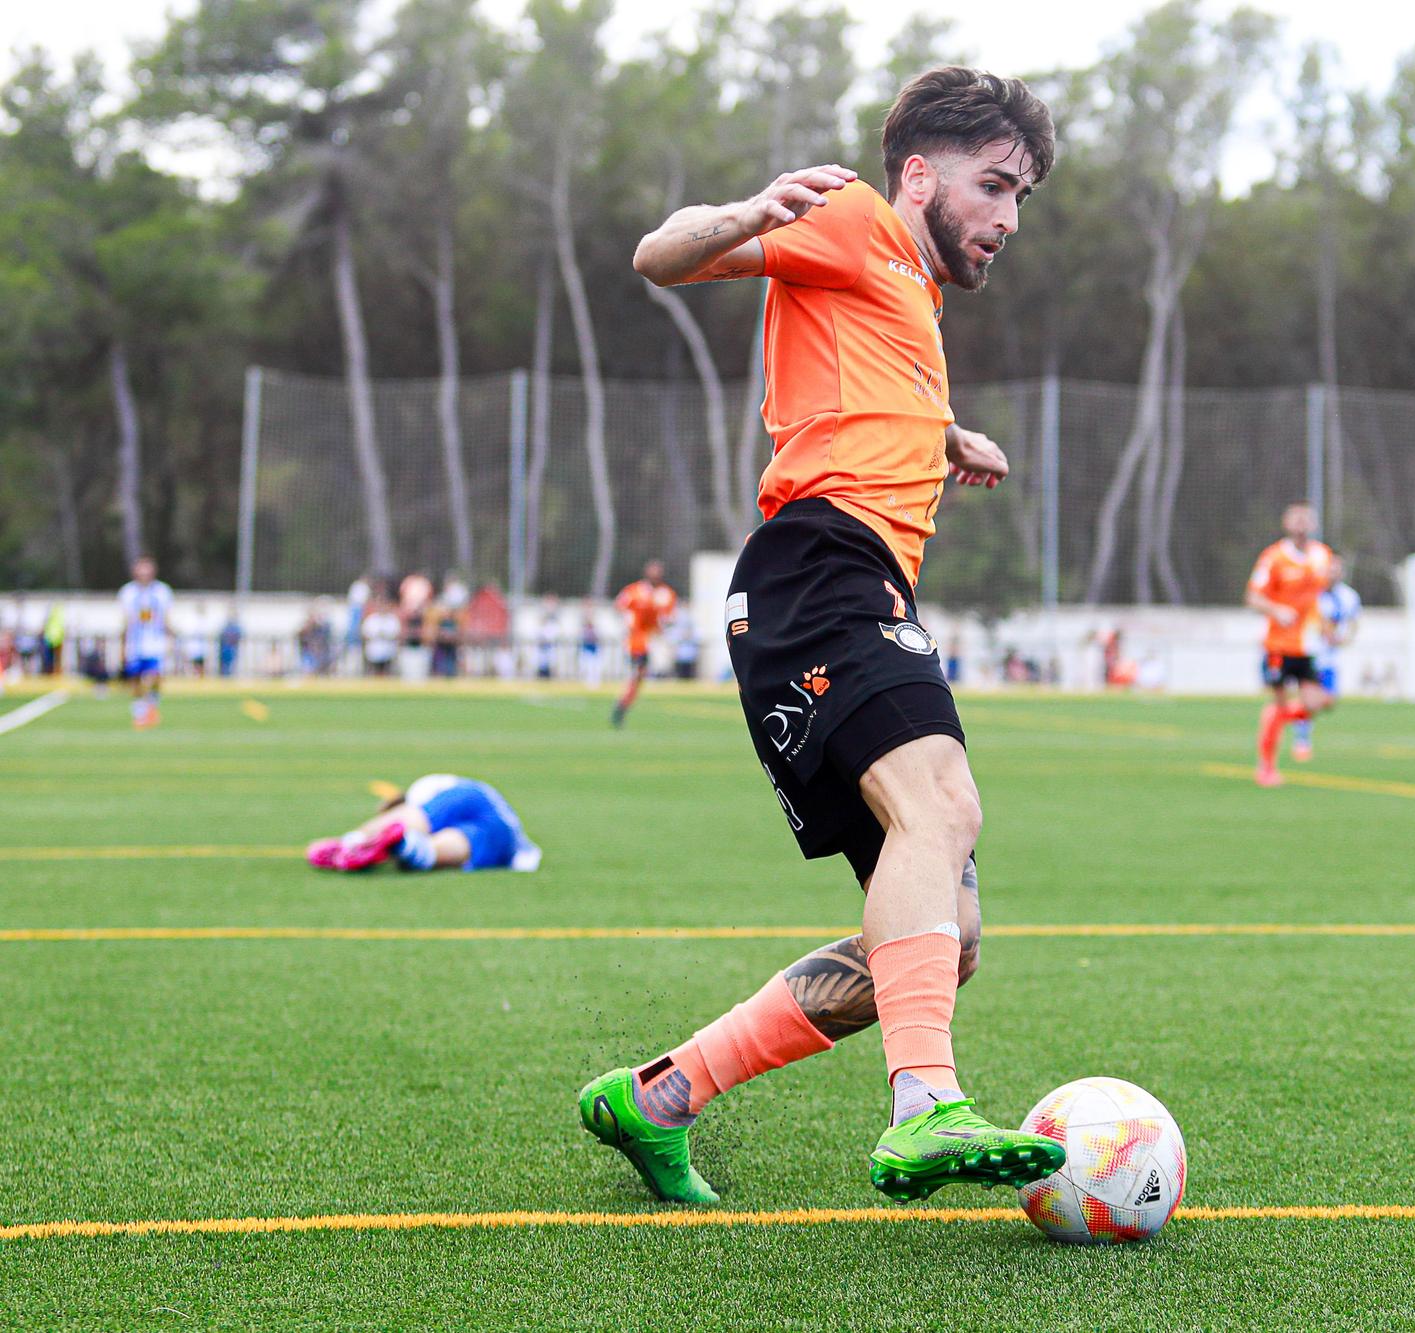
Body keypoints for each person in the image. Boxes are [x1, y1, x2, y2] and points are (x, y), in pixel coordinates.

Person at [580, 67, 1064, 1208]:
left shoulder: (912, 294)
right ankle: (922, 1107)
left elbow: (854, 386)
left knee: (948, 934)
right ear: (916, 173)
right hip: (819, 569)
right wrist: (743, 216)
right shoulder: (846, 218)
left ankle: (657, 1095)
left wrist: (942, 435)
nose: (1005, 219)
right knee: (941, 806)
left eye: (1021, 200)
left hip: (841, 584)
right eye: (993, 186)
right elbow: (660, 254)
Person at [1245, 503, 1336, 786]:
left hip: (1307, 646)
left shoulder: (1322, 555)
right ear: (1286, 523)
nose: (1301, 523)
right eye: (1296, 518)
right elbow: (1252, 597)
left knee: (1321, 703)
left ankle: (1274, 717)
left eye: (1306, 518)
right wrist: (1277, 610)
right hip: (1279, 646)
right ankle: (1266, 767)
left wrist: (1326, 627)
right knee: (1280, 701)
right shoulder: (1273, 558)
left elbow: (1318, 600)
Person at [307, 774, 540, 874]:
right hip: (507, 841)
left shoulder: (421, 790)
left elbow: (413, 814)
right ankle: (408, 847)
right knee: (440, 848)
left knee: (417, 819)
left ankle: (349, 843)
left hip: (469, 796)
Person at [1292, 550, 1360, 761]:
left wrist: (1345, 639)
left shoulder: (1349, 596)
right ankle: (1302, 741)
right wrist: (1324, 632)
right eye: (1329, 568)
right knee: (1309, 699)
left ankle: (1290, 711)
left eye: (1336, 569)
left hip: (1330, 659)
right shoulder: (1311, 593)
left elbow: (1353, 623)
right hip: (1310, 655)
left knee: (1329, 701)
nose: (1333, 573)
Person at [609, 559, 679, 728]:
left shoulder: (666, 594)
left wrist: (664, 623)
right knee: (637, 674)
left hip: (655, 641)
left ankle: (623, 703)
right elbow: (619, 606)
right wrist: (627, 621)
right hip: (637, 642)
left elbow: (669, 618)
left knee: (640, 677)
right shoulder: (635, 591)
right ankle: (622, 704)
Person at [118, 555, 174, 729]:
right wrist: (122, 645)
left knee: (155, 676)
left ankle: (152, 708)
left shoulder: (162, 591)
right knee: (135, 678)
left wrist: (171, 639)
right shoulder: (127, 592)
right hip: (135, 644)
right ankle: (139, 712)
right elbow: (125, 621)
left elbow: (166, 618)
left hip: (154, 643)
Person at [362, 598, 400, 677]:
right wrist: (376, 635)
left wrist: (386, 636)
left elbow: (397, 635)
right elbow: (364, 635)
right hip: (374, 652)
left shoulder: (392, 619)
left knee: (387, 673)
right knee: (374, 673)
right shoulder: (371, 619)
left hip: (388, 651)